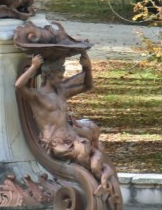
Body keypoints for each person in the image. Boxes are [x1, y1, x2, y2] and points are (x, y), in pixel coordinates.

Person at [15, 52, 118, 202]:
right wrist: (34, 67)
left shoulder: (61, 92)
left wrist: (87, 69)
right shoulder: (37, 96)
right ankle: (91, 185)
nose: (62, 79)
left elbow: (87, 85)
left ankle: (103, 183)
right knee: (86, 153)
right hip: (58, 143)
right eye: (59, 77)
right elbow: (19, 86)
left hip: (72, 138)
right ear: (48, 76)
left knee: (97, 155)